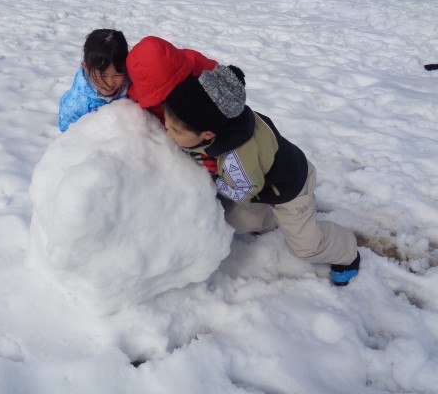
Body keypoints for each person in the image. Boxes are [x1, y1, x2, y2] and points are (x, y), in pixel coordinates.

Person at [128, 36, 359, 286]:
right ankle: (271, 219)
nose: (168, 133)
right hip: (268, 179)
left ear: (207, 135)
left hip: (291, 188)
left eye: (175, 131)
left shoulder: (237, 161)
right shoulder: (216, 112)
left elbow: (243, 191)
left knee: (305, 247)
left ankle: (346, 253)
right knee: (238, 220)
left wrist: (213, 179)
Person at [58, 29, 129, 132]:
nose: (110, 83)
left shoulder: (132, 84)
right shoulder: (76, 104)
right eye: (103, 75)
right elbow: (68, 133)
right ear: (86, 68)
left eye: (117, 74)